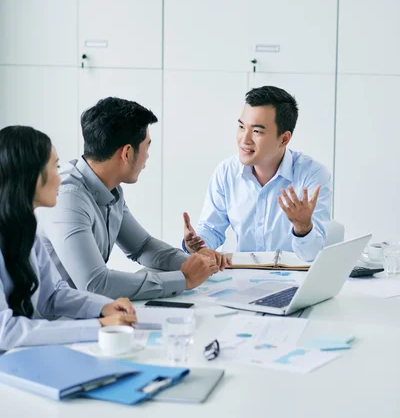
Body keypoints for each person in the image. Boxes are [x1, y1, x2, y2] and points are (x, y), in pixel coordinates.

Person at [37, 98, 228, 301]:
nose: (147, 156)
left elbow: (142, 246)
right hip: (52, 320)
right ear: (127, 153)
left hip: (85, 311)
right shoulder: (68, 198)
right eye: (147, 146)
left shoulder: (110, 188)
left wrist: (197, 263)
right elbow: (95, 284)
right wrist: (183, 279)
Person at [0, 125, 137, 352]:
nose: (60, 179)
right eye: (55, 167)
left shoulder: (24, 229)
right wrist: (99, 326)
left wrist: (104, 307)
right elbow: (6, 331)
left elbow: (53, 295)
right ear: (30, 175)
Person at [183, 86, 331, 262]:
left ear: (284, 139)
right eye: (241, 127)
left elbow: (312, 255)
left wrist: (303, 227)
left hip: (293, 281)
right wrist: (195, 244)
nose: (244, 140)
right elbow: (211, 229)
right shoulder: (226, 172)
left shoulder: (312, 175)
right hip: (241, 279)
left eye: (257, 131)